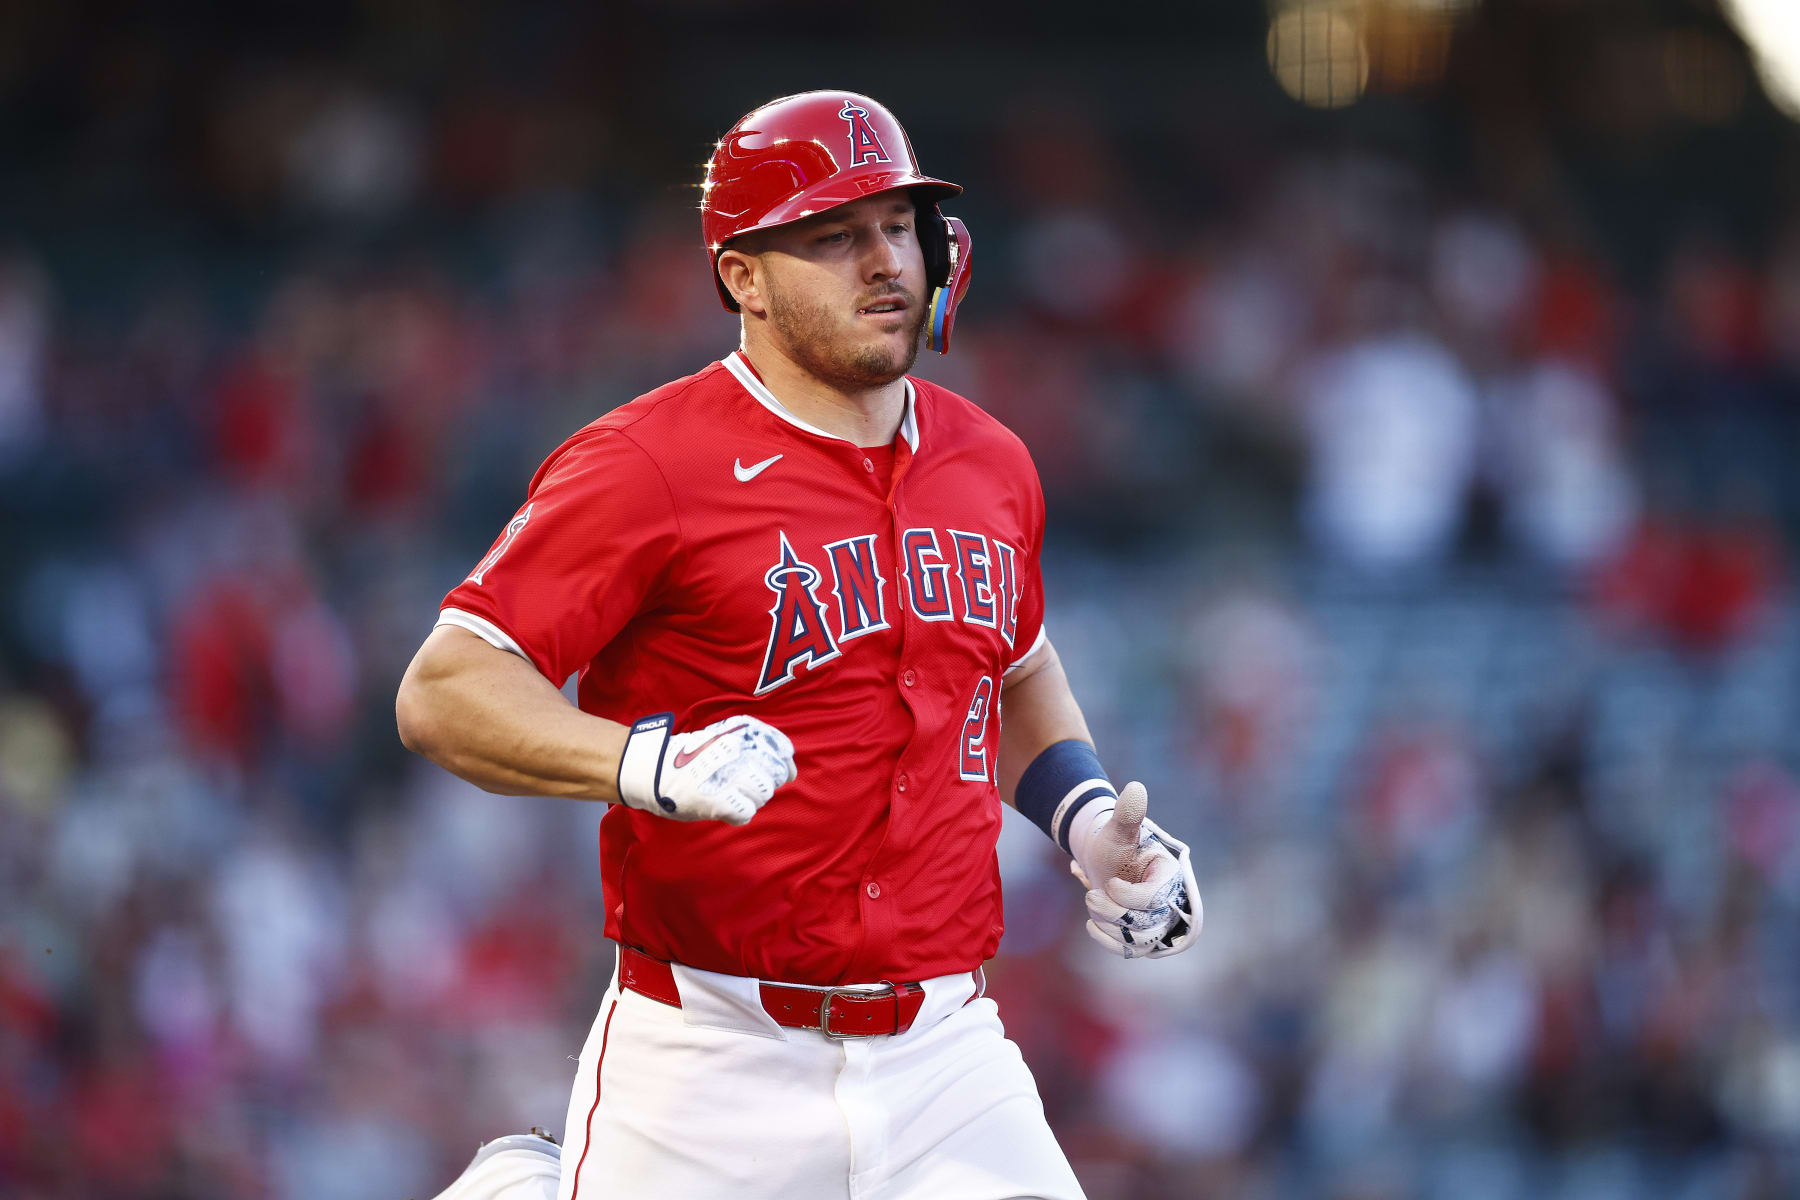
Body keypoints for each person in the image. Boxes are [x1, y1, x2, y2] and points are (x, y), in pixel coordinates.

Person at [398, 91, 1201, 1200]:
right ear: (743, 277)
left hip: (946, 1050)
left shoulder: (993, 462)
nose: (884, 262)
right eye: (833, 236)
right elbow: (445, 687)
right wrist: (642, 762)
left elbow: (1014, 664)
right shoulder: (647, 461)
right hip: (709, 1055)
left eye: (897, 226)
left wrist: (1084, 821)